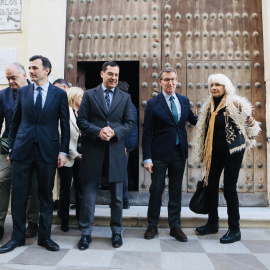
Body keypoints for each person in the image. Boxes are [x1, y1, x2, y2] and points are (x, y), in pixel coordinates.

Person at [0, 55, 70, 253]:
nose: (30, 71)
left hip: (48, 153)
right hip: (22, 152)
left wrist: (63, 152)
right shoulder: (23, 92)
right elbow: (14, 123)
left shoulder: (59, 94)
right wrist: (12, 148)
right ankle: (16, 238)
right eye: (29, 67)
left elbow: (64, 126)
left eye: (34, 68)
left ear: (46, 70)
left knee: (45, 197)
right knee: (19, 196)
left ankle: (45, 238)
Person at [192, 73, 261, 244]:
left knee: (229, 189)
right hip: (214, 152)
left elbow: (252, 125)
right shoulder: (209, 106)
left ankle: (234, 229)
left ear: (225, 87)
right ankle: (213, 223)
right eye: (212, 85)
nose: (214, 88)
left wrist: (248, 140)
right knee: (211, 186)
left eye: (218, 85)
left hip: (233, 151)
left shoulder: (234, 103)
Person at [77, 61, 134, 250]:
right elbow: (82, 121)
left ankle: (117, 232)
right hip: (93, 151)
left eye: (116, 74)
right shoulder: (89, 95)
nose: (114, 78)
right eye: (110, 74)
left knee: (117, 197)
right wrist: (97, 131)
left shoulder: (125, 97)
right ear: (102, 74)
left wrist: (114, 132)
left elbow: (130, 123)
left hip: (116, 151)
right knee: (89, 196)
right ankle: (85, 234)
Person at [142, 67, 198, 242]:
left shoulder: (183, 100)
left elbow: (194, 120)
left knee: (175, 191)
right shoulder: (153, 104)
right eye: (166, 80)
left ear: (177, 80)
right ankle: (152, 225)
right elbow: (147, 133)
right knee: (156, 190)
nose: (170, 83)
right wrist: (147, 157)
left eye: (173, 79)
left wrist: (212, 113)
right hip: (158, 154)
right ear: (160, 82)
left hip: (178, 153)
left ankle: (175, 226)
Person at [0, 63, 40, 241]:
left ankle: (32, 222)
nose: (10, 82)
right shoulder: (3, 95)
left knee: (34, 185)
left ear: (24, 75)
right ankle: (0, 224)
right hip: (9, 145)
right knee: (2, 180)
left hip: (33, 147)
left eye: (13, 78)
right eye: (7, 78)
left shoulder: (37, 91)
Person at [57, 86, 84, 232]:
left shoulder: (83, 113)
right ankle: (64, 221)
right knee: (65, 189)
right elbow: (62, 136)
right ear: (74, 98)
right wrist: (75, 154)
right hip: (67, 156)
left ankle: (81, 220)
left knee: (80, 189)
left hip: (81, 157)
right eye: (81, 97)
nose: (83, 100)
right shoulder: (64, 112)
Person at [117, 81, 138, 209]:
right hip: (127, 143)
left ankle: (124, 200)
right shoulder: (131, 105)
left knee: (121, 172)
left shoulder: (125, 105)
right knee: (124, 170)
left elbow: (127, 128)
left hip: (124, 144)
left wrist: (124, 145)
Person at [52, 78, 70, 212]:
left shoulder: (73, 101)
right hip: (57, 147)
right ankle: (58, 202)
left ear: (64, 87)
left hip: (69, 150)